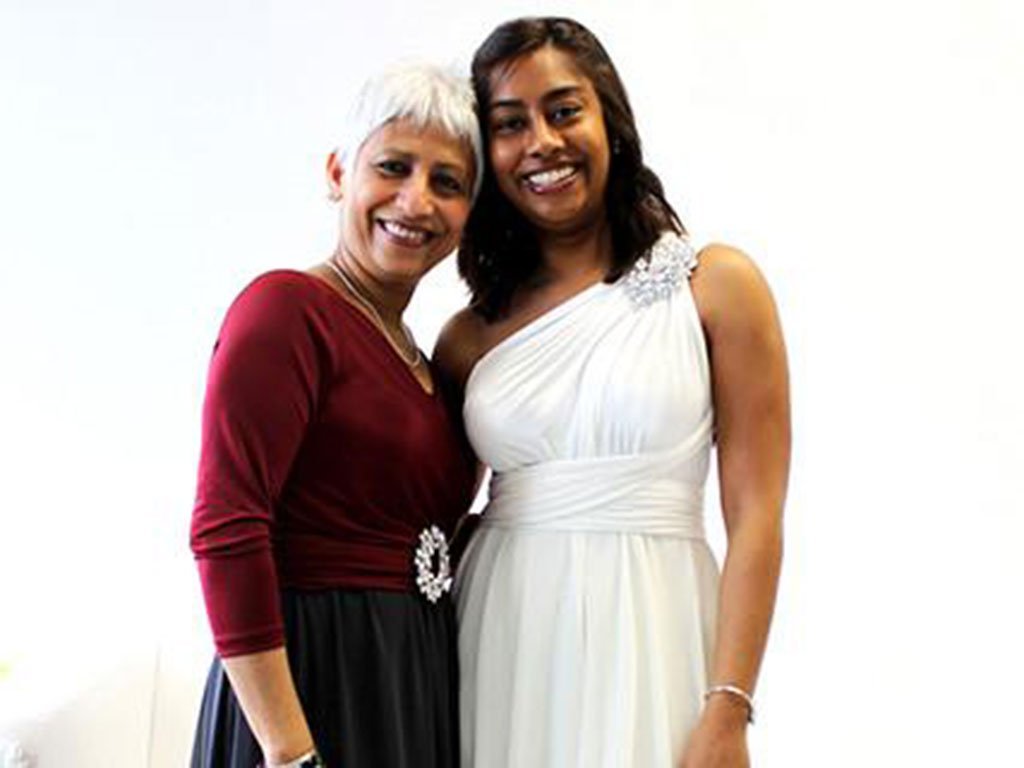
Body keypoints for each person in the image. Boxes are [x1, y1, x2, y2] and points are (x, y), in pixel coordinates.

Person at [434, 17, 790, 768]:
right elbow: (431, 522)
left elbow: (756, 515)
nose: (541, 142)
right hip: (504, 633)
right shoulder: (468, 337)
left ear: (611, 122)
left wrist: (730, 706)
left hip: (657, 626)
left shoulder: (717, 288)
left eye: (564, 110)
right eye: (509, 124)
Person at [189, 63, 481, 768]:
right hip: (308, 688)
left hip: (407, 681)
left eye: (448, 183)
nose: (417, 201)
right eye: (393, 167)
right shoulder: (287, 312)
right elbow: (226, 529)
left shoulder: (432, 362)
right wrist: (291, 754)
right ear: (337, 173)